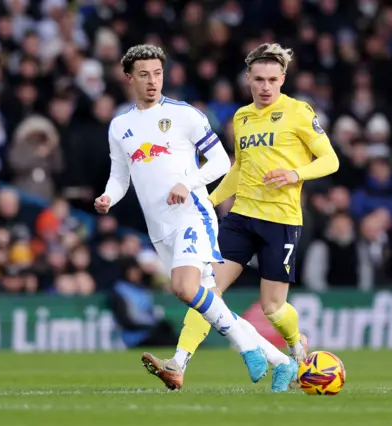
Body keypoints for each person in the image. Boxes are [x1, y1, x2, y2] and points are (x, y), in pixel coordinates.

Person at [94, 44, 294, 391]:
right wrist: (109, 196)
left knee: (184, 288)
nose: (153, 81)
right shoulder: (120, 126)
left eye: (157, 73)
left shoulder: (186, 115)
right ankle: (282, 362)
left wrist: (188, 184)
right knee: (207, 301)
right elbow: (121, 176)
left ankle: (249, 349)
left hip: (192, 214)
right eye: (144, 74)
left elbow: (220, 162)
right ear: (129, 78)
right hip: (159, 229)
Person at [143, 43, 339, 389]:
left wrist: (296, 174)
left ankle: (296, 348)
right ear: (248, 78)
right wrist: (207, 198)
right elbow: (238, 168)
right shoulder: (242, 117)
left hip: (281, 221)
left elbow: (330, 160)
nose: (265, 87)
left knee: (273, 308)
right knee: (206, 291)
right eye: (259, 79)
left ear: (283, 79)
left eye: (273, 80)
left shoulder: (299, 112)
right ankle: (178, 362)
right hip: (241, 216)